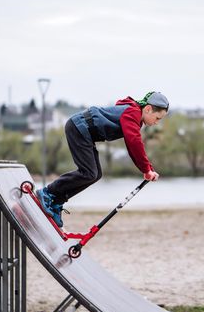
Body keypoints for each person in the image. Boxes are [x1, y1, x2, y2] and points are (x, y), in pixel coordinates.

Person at [36, 91, 169, 227]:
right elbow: (133, 143)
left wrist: (149, 169)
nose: (156, 123)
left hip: (85, 133)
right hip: (78, 127)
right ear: (147, 109)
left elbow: (134, 144)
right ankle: (48, 192)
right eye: (157, 118)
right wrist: (146, 169)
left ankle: (56, 201)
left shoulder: (132, 112)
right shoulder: (133, 113)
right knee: (88, 173)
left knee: (95, 174)